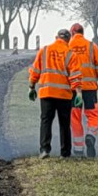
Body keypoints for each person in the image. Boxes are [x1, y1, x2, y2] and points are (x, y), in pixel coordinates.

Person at [28, 28, 83, 159]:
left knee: (46, 121)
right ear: (68, 40)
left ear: (56, 37)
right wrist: (79, 93)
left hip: (47, 93)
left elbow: (35, 70)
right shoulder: (70, 54)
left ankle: (44, 150)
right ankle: (65, 153)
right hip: (64, 94)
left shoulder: (44, 50)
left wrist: (31, 87)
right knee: (64, 123)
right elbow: (75, 76)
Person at [67, 23, 98, 158]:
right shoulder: (91, 46)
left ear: (72, 33)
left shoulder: (68, 47)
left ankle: (78, 149)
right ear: (83, 33)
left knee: (75, 118)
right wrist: (94, 78)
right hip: (90, 89)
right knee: (93, 115)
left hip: (74, 89)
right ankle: (91, 135)